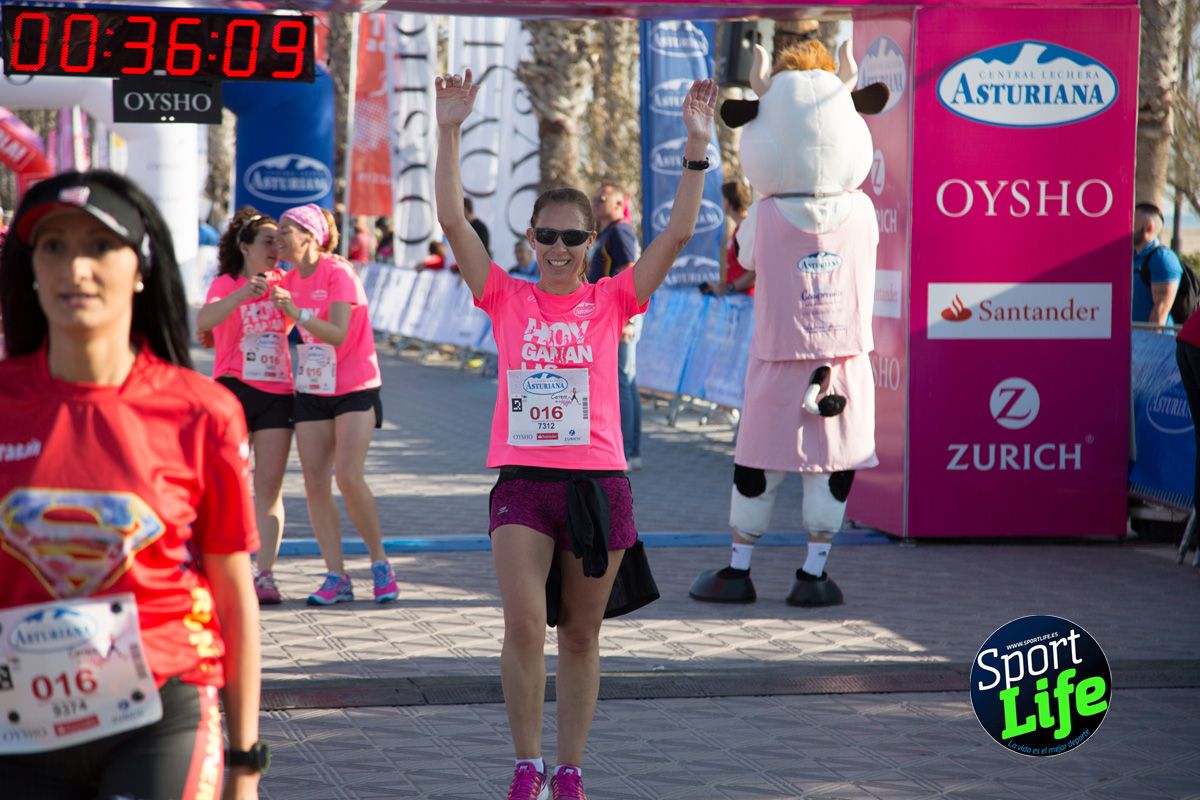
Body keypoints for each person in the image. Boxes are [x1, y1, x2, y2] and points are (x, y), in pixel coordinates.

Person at [435, 67, 717, 800]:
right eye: (547, 236)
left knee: (583, 637)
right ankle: (527, 764)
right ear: (530, 236)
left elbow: (680, 231)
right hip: (524, 483)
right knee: (526, 624)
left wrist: (696, 146)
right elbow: (453, 223)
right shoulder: (505, 294)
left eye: (573, 238)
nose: (559, 248)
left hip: (599, 484)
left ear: (593, 241)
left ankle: (571, 771)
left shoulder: (612, 298)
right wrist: (449, 129)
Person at [0, 170, 264, 798]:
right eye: (54, 247)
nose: (76, 268)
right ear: (32, 268)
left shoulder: (202, 411)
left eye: (100, 246)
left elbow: (233, 590)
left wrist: (245, 763)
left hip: (161, 712)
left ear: (141, 267)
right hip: (18, 724)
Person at [268, 203, 399, 606]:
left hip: (355, 384)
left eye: (287, 229)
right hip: (312, 387)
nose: (279, 237)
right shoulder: (287, 278)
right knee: (313, 482)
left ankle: (379, 562)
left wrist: (296, 312)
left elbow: (339, 333)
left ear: (310, 236)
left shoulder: (338, 272)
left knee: (348, 476)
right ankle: (336, 575)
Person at [197, 208, 293, 605]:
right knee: (228, 483)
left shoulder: (288, 282)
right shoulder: (225, 282)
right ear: (245, 247)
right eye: (268, 242)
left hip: (277, 392)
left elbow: (318, 309)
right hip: (233, 389)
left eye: (279, 241)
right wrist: (241, 294)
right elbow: (204, 321)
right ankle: (218, 565)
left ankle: (265, 574)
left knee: (268, 487)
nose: (276, 249)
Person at [588, 180, 644, 471]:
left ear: (619, 203)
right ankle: (630, 449)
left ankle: (626, 449)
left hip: (620, 317)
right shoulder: (609, 232)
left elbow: (629, 273)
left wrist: (628, 318)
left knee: (622, 382)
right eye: (595, 199)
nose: (596, 203)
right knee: (626, 381)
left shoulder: (620, 231)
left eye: (602, 199)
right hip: (611, 317)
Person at [702, 179, 755, 296]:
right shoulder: (740, 228)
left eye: (722, 198)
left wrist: (728, 288)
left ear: (728, 201)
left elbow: (755, 272)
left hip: (746, 301)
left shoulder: (747, 228)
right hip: (739, 299)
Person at [1133, 202, 1184, 326]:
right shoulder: (1133, 256)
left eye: (1133, 223)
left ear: (1149, 228)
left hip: (1151, 341)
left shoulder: (1162, 259)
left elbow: (1160, 311)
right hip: (1132, 339)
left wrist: (1146, 343)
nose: (1127, 227)